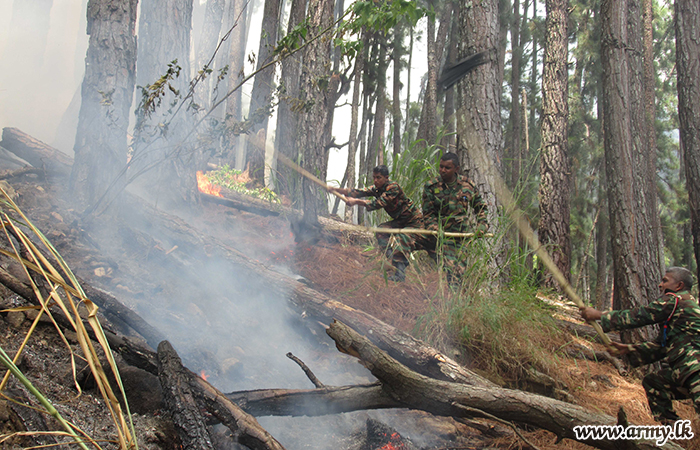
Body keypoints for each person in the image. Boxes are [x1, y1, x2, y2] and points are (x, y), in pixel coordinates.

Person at [580, 267, 700, 424]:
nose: (659, 285)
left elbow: (639, 316)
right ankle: (673, 433)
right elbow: (662, 347)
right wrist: (629, 349)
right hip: (685, 373)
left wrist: (600, 315)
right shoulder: (681, 310)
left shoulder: (676, 300)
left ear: (679, 286)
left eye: (665, 281)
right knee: (655, 384)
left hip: (696, 372)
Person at [328, 165, 422, 282]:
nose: (376, 180)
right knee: (381, 230)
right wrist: (335, 190)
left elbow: (378, 203)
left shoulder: (393, 188)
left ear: (386, 178)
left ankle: (400, 275)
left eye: (379, 177)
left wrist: (356, 202)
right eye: (374, 177)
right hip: (400, 221)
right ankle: (393, 262)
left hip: (413, 221)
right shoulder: (377, 188)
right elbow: (358, 192)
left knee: (402, 240)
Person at [421, 153, 488, 284]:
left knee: (458, 273)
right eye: (441, 167)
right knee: (447, 270)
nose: (443, 170)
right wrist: (435, 228)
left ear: (456, 169)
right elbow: (428, 215)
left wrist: (482, 225)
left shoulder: (467, 185)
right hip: (440, 236)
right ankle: (442, 299)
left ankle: (454, 301)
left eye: (447, 168)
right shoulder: (431, 186)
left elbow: (480, 208)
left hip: (461, 237)